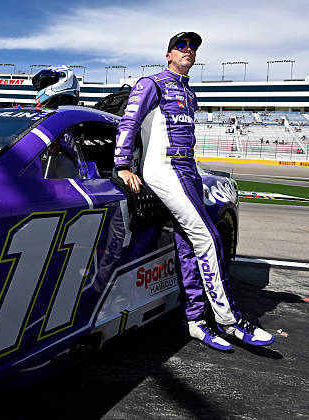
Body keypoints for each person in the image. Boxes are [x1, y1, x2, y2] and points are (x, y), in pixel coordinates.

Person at [113, 31, 274, 351]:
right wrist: (122, 165)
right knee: (208, 237)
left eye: (193, 47)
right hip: (164, 169)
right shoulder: (151, 83)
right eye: (181, 46)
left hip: (188, 172)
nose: (188, 50)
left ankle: (196, 320)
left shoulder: (190, 92)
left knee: (188, 243)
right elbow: (128, 123)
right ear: (168, 54)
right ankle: (230, 320)